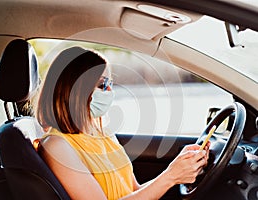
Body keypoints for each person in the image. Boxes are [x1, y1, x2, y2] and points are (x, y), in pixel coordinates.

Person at [35, 46, 210, 200]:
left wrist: (178, 168)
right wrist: (171, 176)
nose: (110, 91)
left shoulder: (103, 133)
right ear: (74, 89)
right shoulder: (56, 145)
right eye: (103, 84)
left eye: (111, 83)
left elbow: (135, 192)